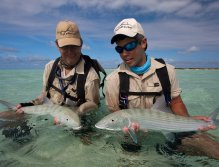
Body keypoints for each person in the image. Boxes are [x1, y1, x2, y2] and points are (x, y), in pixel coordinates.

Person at [105, 18, 219, 159]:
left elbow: (176, 103)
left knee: (214, 150)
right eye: (119, 48)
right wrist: (128, 133)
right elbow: (115, 115)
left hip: (168, 126)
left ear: (143, 43)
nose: (124, 53)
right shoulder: (112, 80)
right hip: (134, 134)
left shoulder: (167, 71)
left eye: (129, 46)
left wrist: (189, 121)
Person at [16, 20, 104, 117]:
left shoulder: (91, 76)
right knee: (12, 116)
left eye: (74, 45)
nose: (70, 51)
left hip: (76, 119)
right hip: (51, 113)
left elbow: (93, 105)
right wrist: (28, 105)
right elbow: (44, 94)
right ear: (57, 45)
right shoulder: (50, 67)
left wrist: (76, 112)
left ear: (81, 44)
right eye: (65, 46)